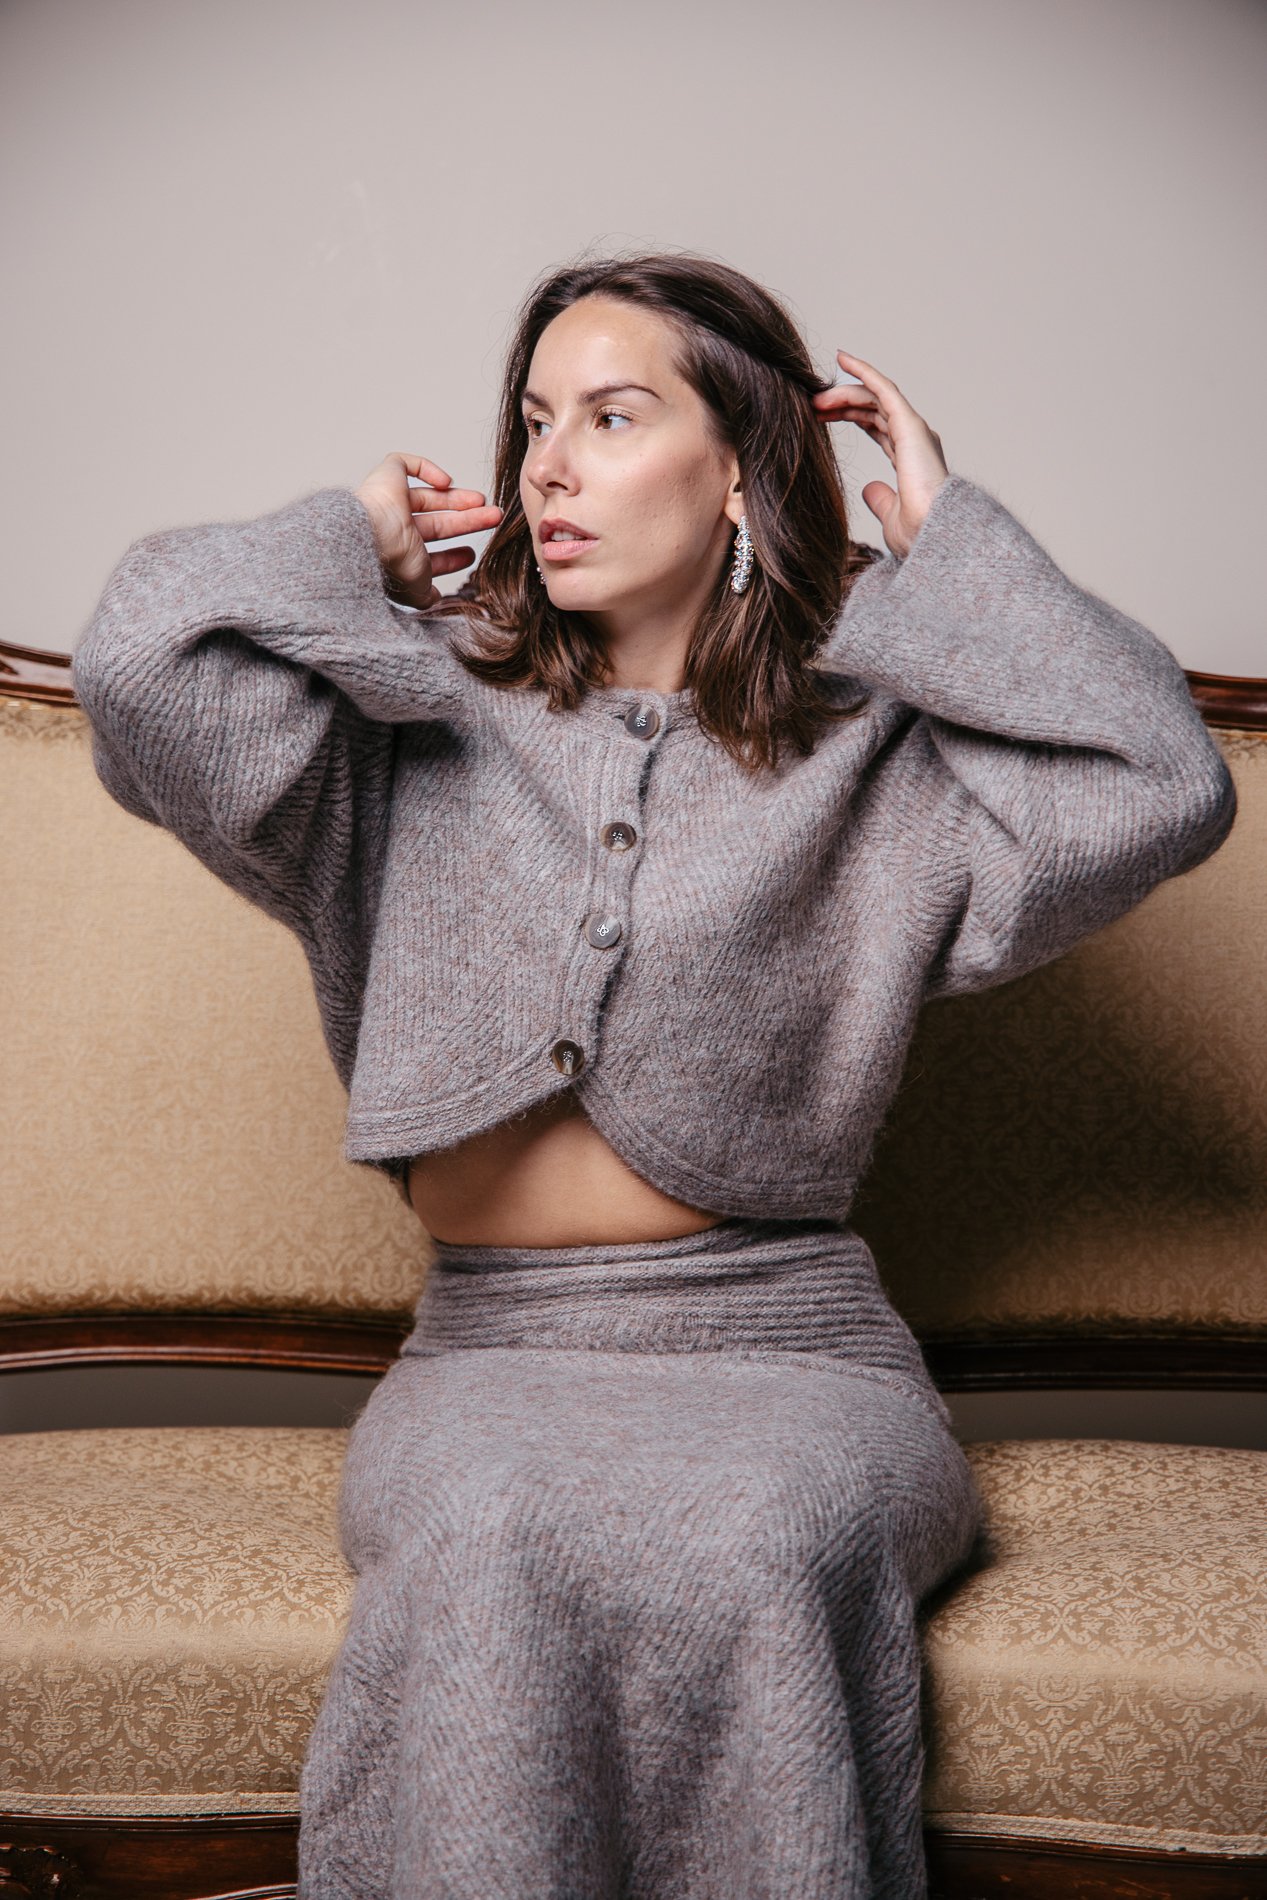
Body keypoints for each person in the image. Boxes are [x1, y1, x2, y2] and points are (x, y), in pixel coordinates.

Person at [70, 251, 1237, 1899]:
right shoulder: (401, 725)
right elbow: (137, 668)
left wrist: (955, 544)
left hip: (791, 1353)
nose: (548, 463)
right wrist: (353, 538)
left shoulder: (877, 755)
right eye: (535, 420)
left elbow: (1161, 785)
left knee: (761, 1540)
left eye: (612, 417)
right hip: (491, 1357)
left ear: (746, 469)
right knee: (489, 1541)